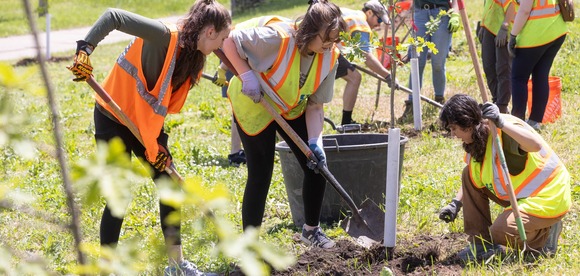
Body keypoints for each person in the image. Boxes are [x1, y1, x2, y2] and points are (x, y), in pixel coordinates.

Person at [67, 0, 231, 274]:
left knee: (169, 185)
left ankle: (177, 267)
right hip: (112, 116)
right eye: (222, 39)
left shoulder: (193, 55)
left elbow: (160, 99)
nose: (221, 47)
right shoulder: (164, 35)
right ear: (210, 31)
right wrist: (85, 50)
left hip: (146, 126)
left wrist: (156, 147)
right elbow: (114, 16)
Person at [221, 0, 346, 249]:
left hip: (291, 106)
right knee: (261, 173)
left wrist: (314, 142)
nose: (329, 46)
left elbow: (315, 106)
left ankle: (311, 231)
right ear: (309, 30)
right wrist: (246, 76)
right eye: (326, 39)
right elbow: (228, 41)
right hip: (255, 102)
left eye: (334, 40)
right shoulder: (276, 38)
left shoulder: (329, 57)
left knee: (316, 166)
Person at [438, 94, 571, 262]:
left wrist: (501, 122)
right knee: (467, 173)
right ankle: (480, 244)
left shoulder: (502, 128)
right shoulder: (476, 141)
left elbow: (535, 144)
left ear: (467, 123)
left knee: (501, 232)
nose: (453, 134)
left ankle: (545, 234)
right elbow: (473, 176)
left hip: (548, 194)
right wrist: (455, 203)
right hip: (521, 193)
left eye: (454, 128)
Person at [507, 0, 567, 130]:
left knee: (518, 78)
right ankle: (535, 121)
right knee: (541, 75)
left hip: (535, 35)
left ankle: (518, 123)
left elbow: (525, 10)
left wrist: (513, 36)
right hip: (556, 30)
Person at [336, 0, 396, 125]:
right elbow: (367, 57)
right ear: (369, 13)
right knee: (355, 78)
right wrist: (388, 76)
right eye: (379, 20)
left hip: (324, 46)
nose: (378, 25)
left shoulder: (352, 14)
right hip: (327, 50)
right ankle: (346, 122)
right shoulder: (361, 24)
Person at [399, 0, 460, 122]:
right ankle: (411, 104)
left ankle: (439, 100)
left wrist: (455, 14)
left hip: (441, 15)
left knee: (438, 63)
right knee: (417, 61)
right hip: (420, 14)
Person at [478, 0, 515, 114]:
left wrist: (504, 26)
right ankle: (496, 101)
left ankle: (502, 105)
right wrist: (482, 24)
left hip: (504, 28)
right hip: (489, 26)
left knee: (502, 68)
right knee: (488, 67)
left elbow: (512, 4)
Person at [213, 64, 246, 167]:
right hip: (235, 57)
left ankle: (285, 147)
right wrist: (223, 67)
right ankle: (235, 152)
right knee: (240, 104)